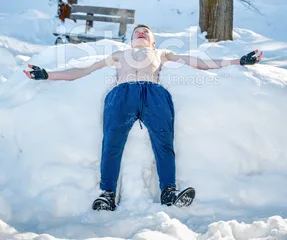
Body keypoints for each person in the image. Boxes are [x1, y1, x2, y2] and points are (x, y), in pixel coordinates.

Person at [24, 24, 263, 211]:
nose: (141, 32)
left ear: (153, 41)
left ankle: (168, 192)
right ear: (130, 41)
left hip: (154, 95)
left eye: (146, 32)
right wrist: (48, 74)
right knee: (112, 145)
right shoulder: (119, 55)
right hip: (121, 95)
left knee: (164, 144)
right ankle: (107, 195)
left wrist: (237, 61)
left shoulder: (162, 53)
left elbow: (200, 63)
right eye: (137, 31)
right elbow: (83, 71)